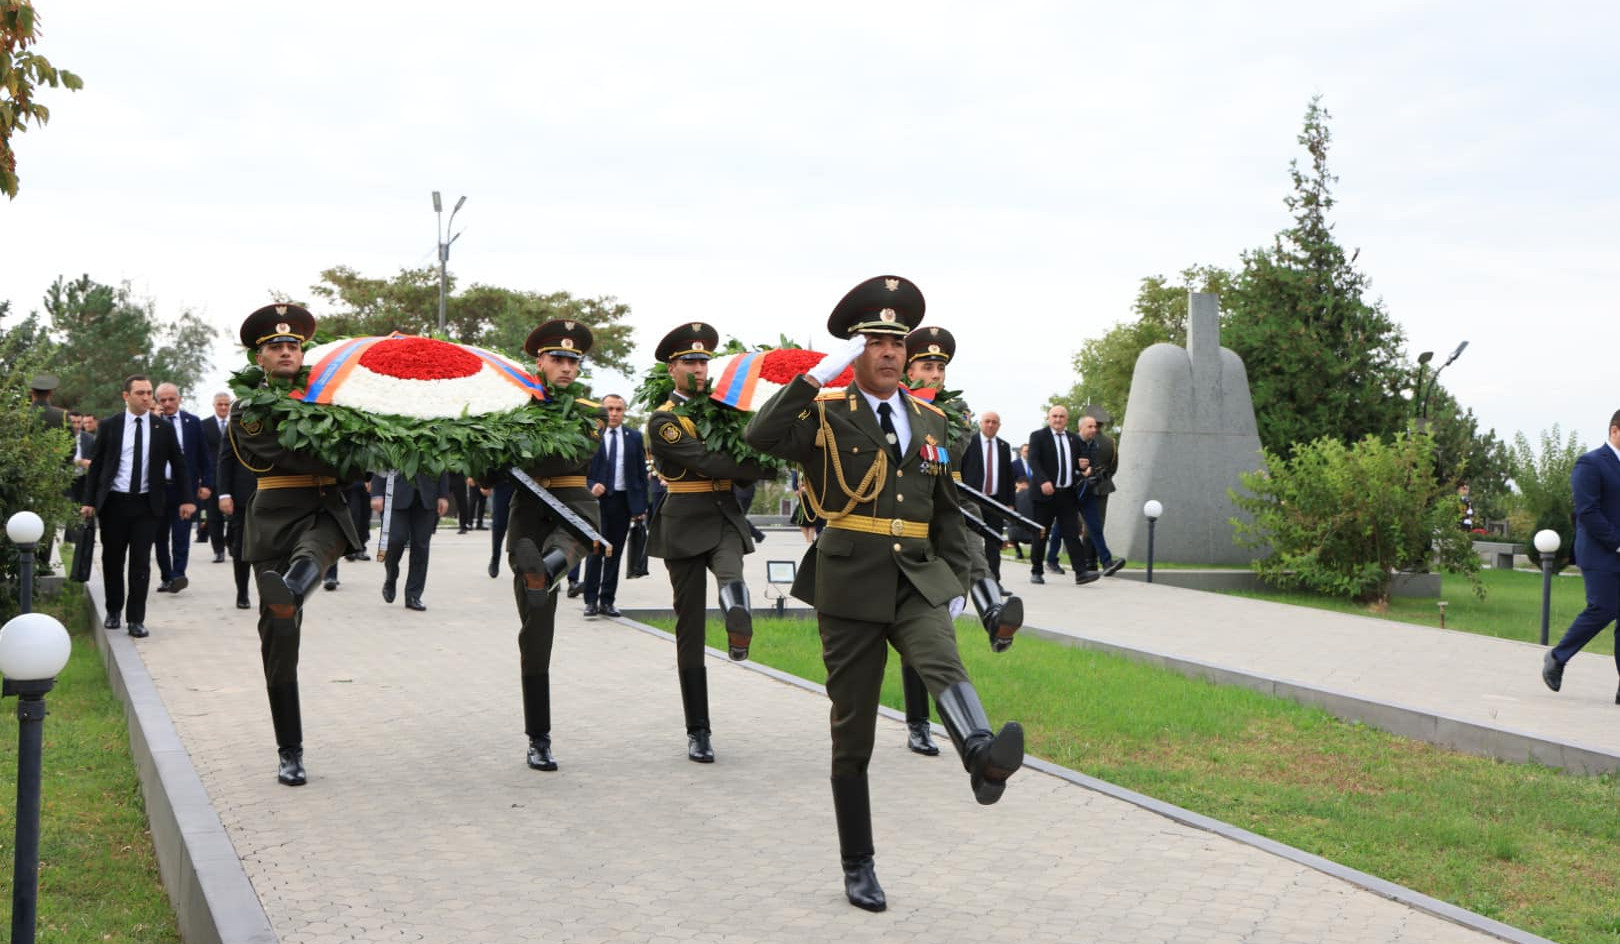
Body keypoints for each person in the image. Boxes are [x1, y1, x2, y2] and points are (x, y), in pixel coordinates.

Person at [745, 275, 1024, 913]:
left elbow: (947, 514)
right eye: (875, 341)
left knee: (941, 661)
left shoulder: (930, 420)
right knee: (854, 735)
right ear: (855, 350)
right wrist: (815, 378)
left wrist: (977, 583)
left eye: (898, 342)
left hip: (917, 577)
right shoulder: (823, 412)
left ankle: (981, 755)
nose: (890, 352)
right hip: (848, 582)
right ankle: (858, 863)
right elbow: (760, 437)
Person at [228, 304, 362, 787]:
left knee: (313, 557)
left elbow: (356, 461)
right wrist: (334, 444)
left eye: (293, 345)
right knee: (279, 640)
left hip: (324, 509)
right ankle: (290, 749)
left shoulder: (329, 397)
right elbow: (273, 453)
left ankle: (293, 586)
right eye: (275, 347)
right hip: (272, 518)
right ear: (258, 357)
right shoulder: (249, 407)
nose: (286, 351)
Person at [896, 326, 1024, 757]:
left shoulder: (957, 411)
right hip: (908, 511)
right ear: (908, 367)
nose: (933, 374)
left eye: (938, 368)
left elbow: (953, 441)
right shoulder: (892, 406)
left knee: (972, 547)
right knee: (920, 627)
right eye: (925, 366)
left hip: (948, 500)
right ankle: (917, 724)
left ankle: (993, 610)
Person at [645, 322, 771, 763]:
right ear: (672, 369)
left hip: (723, 516)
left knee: (732, 572)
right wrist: (757, 465)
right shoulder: (664, 419)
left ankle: (739, 618)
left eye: (703, 361)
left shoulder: (727, 410)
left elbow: (748, 445)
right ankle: (698, 729)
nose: (699, 369)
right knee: (690, 629)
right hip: (683, 520)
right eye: (690, 362)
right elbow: (705, 459)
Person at [503, 318, 602, 772]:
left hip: (574, 511)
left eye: (572, 360)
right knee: (535, 629)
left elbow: (566, 455)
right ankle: (537, 737)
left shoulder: (590, 411)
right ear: (539, 361)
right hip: (527, 516)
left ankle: (546, 568)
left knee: (558, 560)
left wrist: (515, 440)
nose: (565, 366)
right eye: (557, 359)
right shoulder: (508, 405)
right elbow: (490, 469)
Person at [79, 374, 197, 639]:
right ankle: (113, 610)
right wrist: (88, 501)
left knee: (141, 563)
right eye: (140, 393)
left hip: (147, 505)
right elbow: (97, 466)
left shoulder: (162, 428)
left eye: (149, 393)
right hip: (114, 504)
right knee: (112, 559)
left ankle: (136, 619)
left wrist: (188, 499)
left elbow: (179, 464)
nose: (147, 398)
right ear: (126, 396)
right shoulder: (110, 426)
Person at [1541, 410, 1620, 700]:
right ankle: (1557, 658)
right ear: (1615, 431)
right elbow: (1587, 512)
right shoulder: (1590, 463)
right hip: (1600, 553)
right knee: (1603, 608)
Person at [582, 394, 647, 618]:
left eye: (618, 409)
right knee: (595, 550)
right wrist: (591, 485)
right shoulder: (591, 435)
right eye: (609, 408)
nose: (614, 413)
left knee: (615, 553)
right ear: (602, 410)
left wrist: (640, 508)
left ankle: (607, 600)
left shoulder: (635, 437)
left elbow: (640, 474)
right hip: (597, 502)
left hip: (623, 502)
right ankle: (590, 600)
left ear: (624, 411)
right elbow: (580, 468)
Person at [152, 382, 212, 593]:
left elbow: (204, 455)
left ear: (179, 399)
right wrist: (156, 420)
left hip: (184, 489)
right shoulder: (152, 423)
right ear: (157, 402)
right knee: (160, 537)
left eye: (171, 399)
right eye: (163, 400)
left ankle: (178, 575)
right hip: (158, 489)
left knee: (181, 533)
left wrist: (207, 483)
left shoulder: (192, 422)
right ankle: (166, 576)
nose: (167, 403)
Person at [1027, 405, 1094, 585]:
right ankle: (1037, 570)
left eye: (1061, 417)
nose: (1058, 420)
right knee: (1041, 533)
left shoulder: (1073, 439)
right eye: (1054, 416)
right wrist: (1043, 481)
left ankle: (1081, 573)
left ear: (1067, 419)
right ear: (1049, 418)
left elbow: (1081, 462)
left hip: (1067, 495)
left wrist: (1084, 466)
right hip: (1045, 494)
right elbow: (1033, 460)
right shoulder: (1038, 436)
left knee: (1072, 533)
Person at [370, 470, 451, 611]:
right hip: (395, 492)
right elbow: (382, 461)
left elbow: (441, 462)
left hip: (427, 495)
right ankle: (391, 576)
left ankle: (413, 595)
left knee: (421, 546)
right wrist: (377, 492)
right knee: (395, 540)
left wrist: (443, 495)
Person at [214, 405, 258, 611]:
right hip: (242, 497)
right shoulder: (238, 419)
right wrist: (224, 493)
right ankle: (242, 592)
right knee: (241, 547)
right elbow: (225, 459)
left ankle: (271, 593)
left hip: (275, 494)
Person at [1074, 413, 1126, 578]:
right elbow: (1113, 467)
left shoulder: (1077, 440)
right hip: (1101, 486)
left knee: (1085, 527)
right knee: (1094, 526)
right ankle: (1094, 562)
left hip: (1080, 486)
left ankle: (1094, 562)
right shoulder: (1110, 442)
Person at [199, 391, 233, 562]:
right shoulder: (203, 425)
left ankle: (233, 546)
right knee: (213, 517)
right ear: (214, 405)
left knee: (235, 516)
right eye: (220, 404)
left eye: (226, 404)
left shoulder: (237, 424)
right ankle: (218, 550)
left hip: (232, 478)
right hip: (211, 478)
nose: (223, 407)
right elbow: (199, 453)